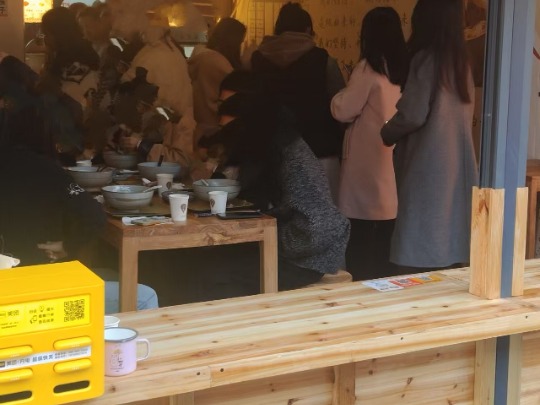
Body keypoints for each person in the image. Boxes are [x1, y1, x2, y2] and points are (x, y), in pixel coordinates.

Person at [0, 55, 158, 313]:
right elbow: (94, 217)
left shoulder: (9, 164)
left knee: (103, 272)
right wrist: (68, 246)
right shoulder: (47, 171)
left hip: (9, 288)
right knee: (145, 296)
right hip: (39, 293)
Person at [212, 77, 350, 290]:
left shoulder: (288, 154)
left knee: (211, 275)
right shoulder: (265, 148)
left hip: (305, 261)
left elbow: (319, 227)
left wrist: (267, 238)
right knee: (201, 264)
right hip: (288, 249)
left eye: (230, 130)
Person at [381, 0, 479, 270]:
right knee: (450, 237)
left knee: (419, 244)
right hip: (456, 163)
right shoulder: (461, 62)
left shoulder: (426, 59)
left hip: (428, 163)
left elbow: (412, 114)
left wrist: (387, 131)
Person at [330, 7, 408, 280]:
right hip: (395, 155)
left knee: (360, 233)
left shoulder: (368, 67)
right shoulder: (405, 67)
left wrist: (336, 96)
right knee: (387, 231)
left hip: (367, 160)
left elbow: (344, 109)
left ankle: (362, 286)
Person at [250, 2, 344, 202]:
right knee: (324, 213)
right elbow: (340, 106)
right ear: (308, 30)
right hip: (319, 149)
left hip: (272, 151)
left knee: (276, 213)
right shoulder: (323, 60)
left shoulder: (256, 60)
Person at [40, 7, 100, 164]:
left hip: (77, 144)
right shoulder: (81, 54)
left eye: (47, 34)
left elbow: (77, 106)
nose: (45, 39)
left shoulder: (75, 64)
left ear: (58, 34)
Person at [188, 18, 246, 147]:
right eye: (240, 42)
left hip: (197, 129)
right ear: (232, 42)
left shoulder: (200, 58)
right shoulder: (218, 64)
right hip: (214, 131)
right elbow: (236, 99)